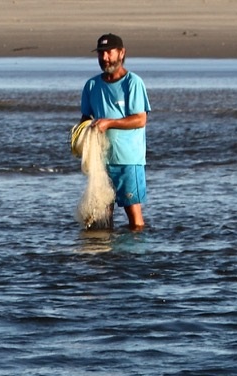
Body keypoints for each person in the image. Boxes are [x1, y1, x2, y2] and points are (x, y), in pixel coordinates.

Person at [79, 33, 151, 230]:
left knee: (133, 216)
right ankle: (107, 256)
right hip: (100, 161)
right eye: (101, 54)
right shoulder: (92, 85)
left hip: (128, 159)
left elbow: (140, 119)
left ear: (121, 53)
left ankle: (135, 255)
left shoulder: (132, 83)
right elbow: (85, 120)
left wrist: (109, 123)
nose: (104, 58)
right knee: (102, 216)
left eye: (109, 53)